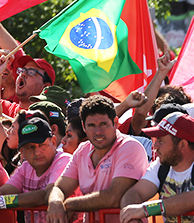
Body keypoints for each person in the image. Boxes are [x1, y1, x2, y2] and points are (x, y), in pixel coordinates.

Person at [47, 95, 148, 223]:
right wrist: (55, 200)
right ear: (84, 127)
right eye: (91, 125)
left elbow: (114, 197)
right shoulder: (82, 150)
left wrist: (69, 204)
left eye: (103, 124)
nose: (98, 131)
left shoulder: (130, 147)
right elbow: (60, 187)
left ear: (116, 123)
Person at [0, 116, 71, 223]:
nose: (37, 152)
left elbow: (47, 194)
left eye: (42, 145)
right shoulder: (25, 168)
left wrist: (0, 202)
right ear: (22, 151)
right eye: (30, 147)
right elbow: (4, 191)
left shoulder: (64, 161)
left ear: (53, 142)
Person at [120, 111, 194, 223]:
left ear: (182, 145)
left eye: (160, 140)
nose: (155, 146)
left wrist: (147, 209)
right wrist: (133, 219)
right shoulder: (161, 165)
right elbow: (134, 193)